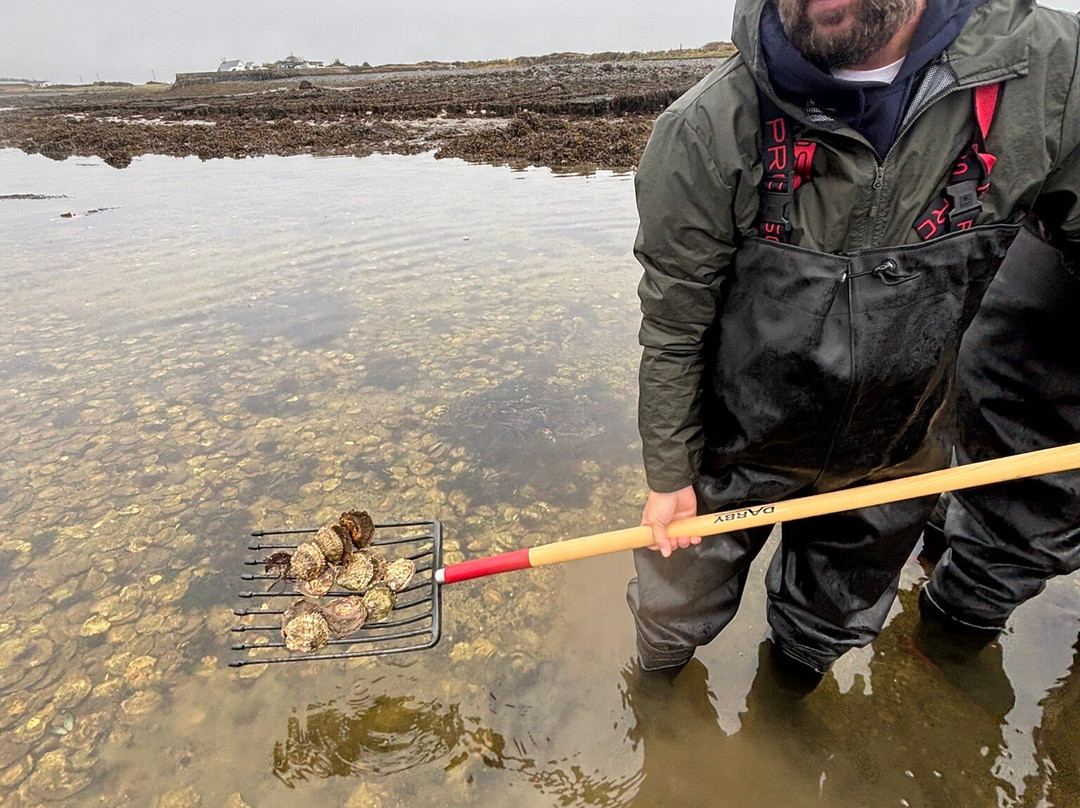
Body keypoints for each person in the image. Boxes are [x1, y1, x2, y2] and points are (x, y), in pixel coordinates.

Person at [627, 0, 1080, 683]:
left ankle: (788, 706)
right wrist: (669, 476)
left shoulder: (1050, 71)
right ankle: (656, 697)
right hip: (736, 446)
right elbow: (673, 322)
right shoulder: (704, 127)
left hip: (898, 452)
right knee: (674, 606)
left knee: (827, 627)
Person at [918, 220, 1080, 637]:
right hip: (1048, 311)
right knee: (1015, 531)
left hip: (1034, 254)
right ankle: (942, 649)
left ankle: (936, 544)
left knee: (972, 442)